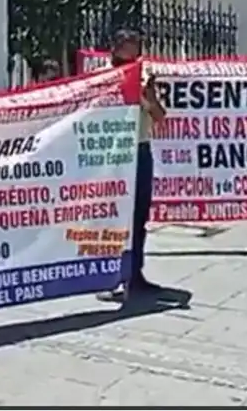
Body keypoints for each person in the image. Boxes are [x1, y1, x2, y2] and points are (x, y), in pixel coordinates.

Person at [98, 29, 167, 302]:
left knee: (139, 217)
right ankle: (112, 276)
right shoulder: (101, 78)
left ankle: (135, 275)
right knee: (114, 217)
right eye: (128, 48)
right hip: (112, 155)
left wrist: (147, 98)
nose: (133, 54)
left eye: (136, 48)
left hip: (140, 151)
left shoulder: (146, 78)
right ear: (115, 49)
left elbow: (160, 116)